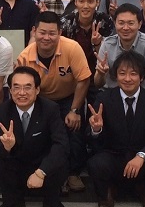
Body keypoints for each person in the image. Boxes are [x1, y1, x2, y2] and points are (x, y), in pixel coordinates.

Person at [16, 11, 90, 194]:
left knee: (74, 128)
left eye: (52, 33)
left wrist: (75, 110)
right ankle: (50, 173)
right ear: (34, 32)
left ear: (60, 33)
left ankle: (73, 172)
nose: (46, 37)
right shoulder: (25, 56)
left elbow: (83, 79)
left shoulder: (72, 48)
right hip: (40, 100)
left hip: (68, 97)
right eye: (42, 32)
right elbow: (23, 89)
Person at [87, 51, 145, 207]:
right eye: (122, 73)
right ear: (116, 76)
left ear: (142, 77)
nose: (127, 78)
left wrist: (141, 156)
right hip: (115, 156)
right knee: (96, 163)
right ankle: (107, 193)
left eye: (133, 74)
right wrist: (97, 129)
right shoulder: (104, 99)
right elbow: (94, 141)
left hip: (142, 158)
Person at [0, 67, 70, 207]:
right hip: (17, 164)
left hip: (42, 164)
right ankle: (12, 201)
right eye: (16, 88)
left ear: (37, 90)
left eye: (27, 87)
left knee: (61, 159)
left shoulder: (50, 109)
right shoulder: (2, 111)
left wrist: (41, 172)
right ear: (10, 91)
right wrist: (7, 147)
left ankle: (52, 202)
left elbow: (61, 144)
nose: (22, 93)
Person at [94, 4, 145, 97]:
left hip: (139, 96)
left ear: (139, 24)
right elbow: (98, 84)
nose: (125, 28)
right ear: (115, 23)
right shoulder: (107, 44)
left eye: (130, 23)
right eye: (121, 23)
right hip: (111, 94)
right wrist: (101, 73)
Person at [61, 0, 115, 102]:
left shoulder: (105, 21)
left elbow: (110, 54)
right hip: (72, 76)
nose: (85, 6)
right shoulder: (66, 22)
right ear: (75, 2)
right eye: (81, 1)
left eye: (90, 2)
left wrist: (98, 44)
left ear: (97, 3)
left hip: (98, 76)